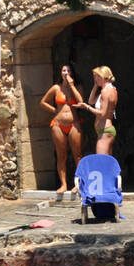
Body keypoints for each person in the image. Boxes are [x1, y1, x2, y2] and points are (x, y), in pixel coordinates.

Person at [39, 63, 84, 193]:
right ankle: (63, 184)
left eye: (68, 71)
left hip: (74, 123)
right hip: (58, 124)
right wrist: (55, 111)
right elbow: (43, 102)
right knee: (61, 155)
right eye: (63, 70)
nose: (65, 73)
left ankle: (78, 183)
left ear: (72, 73)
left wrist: (71, 85)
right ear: (61, 73)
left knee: (78, 155)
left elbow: (81, 102)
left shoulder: (77, 87)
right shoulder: (56, 88)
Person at [78, 66, 118, 155]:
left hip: (104, 131)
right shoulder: (111, 89)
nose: (94, 79)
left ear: (102, 76)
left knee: (101, 163)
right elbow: (91, 101)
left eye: (96, 76)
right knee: (107, 164)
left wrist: (87, 107)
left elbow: (102, 114)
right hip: (106, 130)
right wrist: (95, 86)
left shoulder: (105, 92)